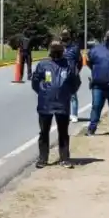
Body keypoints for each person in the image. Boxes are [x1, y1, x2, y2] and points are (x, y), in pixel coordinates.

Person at [31, 41, 80, 169]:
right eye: (54, 50)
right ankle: (43, 159)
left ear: (62, 51)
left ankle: (64, 158)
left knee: (63, 132)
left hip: (62, 104)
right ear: (51, 51)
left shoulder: (68, 65)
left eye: (58, 50)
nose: (56, 52)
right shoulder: (43, 65)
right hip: (45, 104)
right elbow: (35, 83)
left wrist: (67, 93)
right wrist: (43, 92)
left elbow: (75, 82)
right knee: (44, 132)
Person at [61, 29, 84, 122]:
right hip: (61, 74)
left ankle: (74, 114)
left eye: (66, 39)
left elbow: (80, 61)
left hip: (72, 74)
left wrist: (77, 70)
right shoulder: (59, 48)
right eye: (64, 39)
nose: (65, 41)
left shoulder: (75, 48)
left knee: (73, 95)